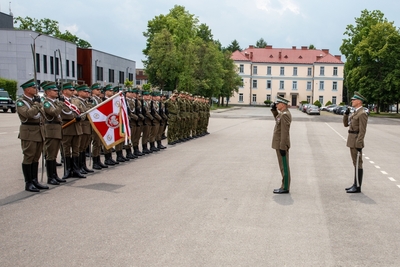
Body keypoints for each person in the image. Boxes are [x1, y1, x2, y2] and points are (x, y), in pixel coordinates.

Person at [16, 79, 49, 192]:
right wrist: (36, 104)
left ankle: (34, 180)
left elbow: (43, 115)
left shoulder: (35, 101)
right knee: (29, 156)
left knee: (36, 157)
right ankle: (28, 182)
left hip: (39, 131)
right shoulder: (21, 102)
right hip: (29, 132)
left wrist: (37, 103)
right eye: (34, 88)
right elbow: (28, 114)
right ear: (27, 89)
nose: (36, 90)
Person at [343, 92, 368, 193]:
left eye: (354, 100)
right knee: (355, 163)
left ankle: (357, 187)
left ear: (359, 102)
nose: (352, 101)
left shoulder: (362, 113)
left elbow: (362, 131)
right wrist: (346, 114)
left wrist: (359, 143)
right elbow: (346, 124)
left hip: (356, 141)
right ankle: (355, 184)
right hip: (351, 140)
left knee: (358, 164)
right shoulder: (355, 112)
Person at [42, 82, 66, 185]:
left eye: (57, 90)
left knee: (54, 154)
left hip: (56, 129)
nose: (57, 92)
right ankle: (50, 177)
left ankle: (55, 175)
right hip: (51, 129)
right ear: (47, 92)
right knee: (50, 155)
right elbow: (54, 113)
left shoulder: (54, 102)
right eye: (54, 90)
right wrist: (60, 104)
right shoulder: (46, 102)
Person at [271, 95, 292, 194]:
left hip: (281, 145)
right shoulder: (282, 114)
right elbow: (278, 120)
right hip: (279, 144)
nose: (276, 105)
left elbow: (284, 132)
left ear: (283, 105)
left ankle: (285, 187)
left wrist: (283, 146)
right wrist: (274, 111)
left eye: (277, 104)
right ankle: (284, 185)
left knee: (284, 166)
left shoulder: (285, 115)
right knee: (282, 166)